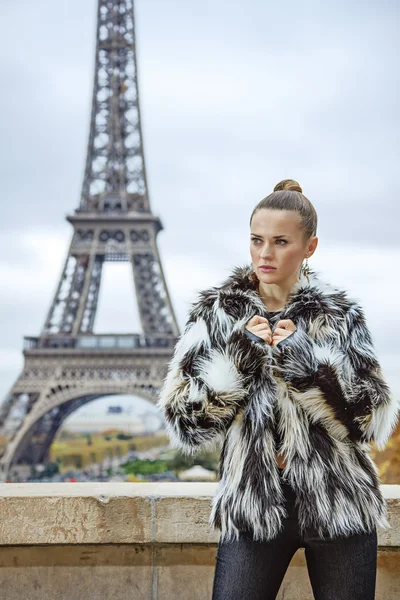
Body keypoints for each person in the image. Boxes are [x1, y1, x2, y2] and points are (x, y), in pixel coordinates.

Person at [156, 179, 399, 600]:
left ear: (310, 247)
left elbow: (370, 419)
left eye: (281, 241)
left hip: (338, 500)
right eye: (257, 240)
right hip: (254, 502)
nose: (265, 254)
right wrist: (237, 360)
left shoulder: (340, 316)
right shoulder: (217, 313)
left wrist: (305, 363)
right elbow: (187, 423)